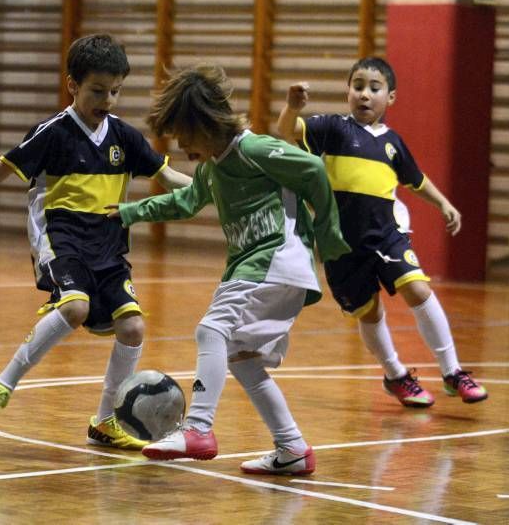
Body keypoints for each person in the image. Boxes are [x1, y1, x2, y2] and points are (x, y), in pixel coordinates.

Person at [0, 34, 192, 450]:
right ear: (72, 85)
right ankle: (2, 384)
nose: (107, 99)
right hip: (60, 238)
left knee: (133, 327)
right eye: (98, 90)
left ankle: (105, 422)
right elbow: (0, 171)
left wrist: (215, 188)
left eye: (115, 91)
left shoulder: (124, 136)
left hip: (108, 247)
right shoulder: (53, 132)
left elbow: (169, 176)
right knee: (75, 307)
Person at [110, 64, 350, 475]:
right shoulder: (211, 168)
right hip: (258, 265)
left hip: (274, 257)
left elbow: (312, 171)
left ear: (205, 122)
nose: (182, 146)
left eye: (185, 135)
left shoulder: (254, 150)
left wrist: (327, 237)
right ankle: (292, 447)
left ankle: (199, 428)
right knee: (240, 358)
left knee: (211, 330)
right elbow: (184, 201)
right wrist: (130, 212)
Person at [277, 57, 487, 408]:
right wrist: (291, 107)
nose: (365, 94)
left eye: (374, 88)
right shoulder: (331, 128)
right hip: (340, 245)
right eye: (358, 86)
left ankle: (453, 372)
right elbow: (287, 131)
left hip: (388, 235)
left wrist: (444, 204)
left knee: (417, 288)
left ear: (390, 98)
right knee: (369, 312)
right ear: (347, 92)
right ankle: (396, 376)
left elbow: (416, 181)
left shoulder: (393, 144)